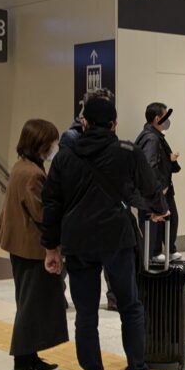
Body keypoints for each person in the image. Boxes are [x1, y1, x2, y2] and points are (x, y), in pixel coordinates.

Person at [41, 94, 168, 370]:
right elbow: (151, 188)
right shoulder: (127, 151)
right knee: (130, 305)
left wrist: (51, 248)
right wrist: (158, 209)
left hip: (78, 242)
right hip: (117, 239)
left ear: (83, 122)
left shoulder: (64, 157)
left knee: (85, 312)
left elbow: (52, 204)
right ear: (113, 124)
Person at [0, 119, 68, 370]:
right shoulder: (32, 174)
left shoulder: (21, 167)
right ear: (41, 143)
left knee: (31, 304)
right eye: (52, 141)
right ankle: (21, 368)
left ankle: (31, 357)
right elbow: (41, 213)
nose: (54, 146)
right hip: (31, 248)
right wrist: (55, 244)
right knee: (30, 306)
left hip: (22, 247)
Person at [62, 87, 117, 311]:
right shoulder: (72, 137)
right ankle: (59, 294)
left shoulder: (109, 135)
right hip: (80, 211)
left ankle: (114, 296)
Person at [135, 103, 182, 263]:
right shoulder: (151, 138)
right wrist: (159, 188)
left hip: (158, 190)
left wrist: (169, 160)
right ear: (157, 118)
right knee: (157, 221)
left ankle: (163, 251)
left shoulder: (152, 136)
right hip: (156, 191)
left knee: (169, 220)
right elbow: (149, 165)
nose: (168, 120)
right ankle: (154, 254)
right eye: (165, 116)